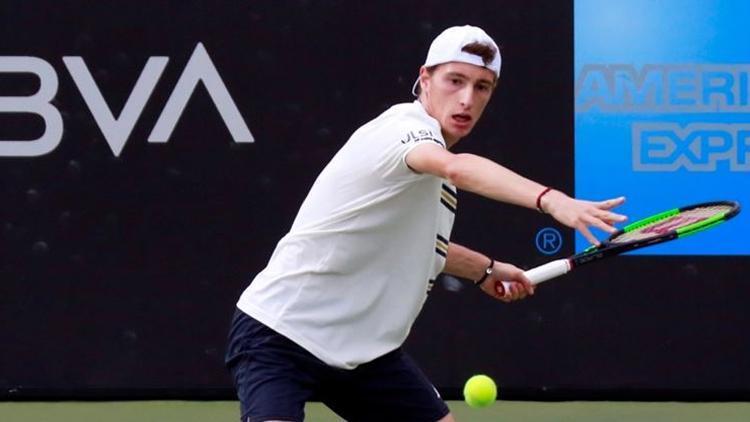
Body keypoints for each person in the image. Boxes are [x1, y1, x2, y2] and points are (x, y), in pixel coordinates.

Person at [225, 25, 626, 422]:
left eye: (482, 87)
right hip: (281, 334)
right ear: (425, 79)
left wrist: (483, 269)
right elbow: (456, 168)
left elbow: (417, 243)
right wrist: (553, 200)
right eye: (455, 81)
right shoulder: (403, 130)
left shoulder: (428, 177)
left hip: (366, 355)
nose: (467, 99)